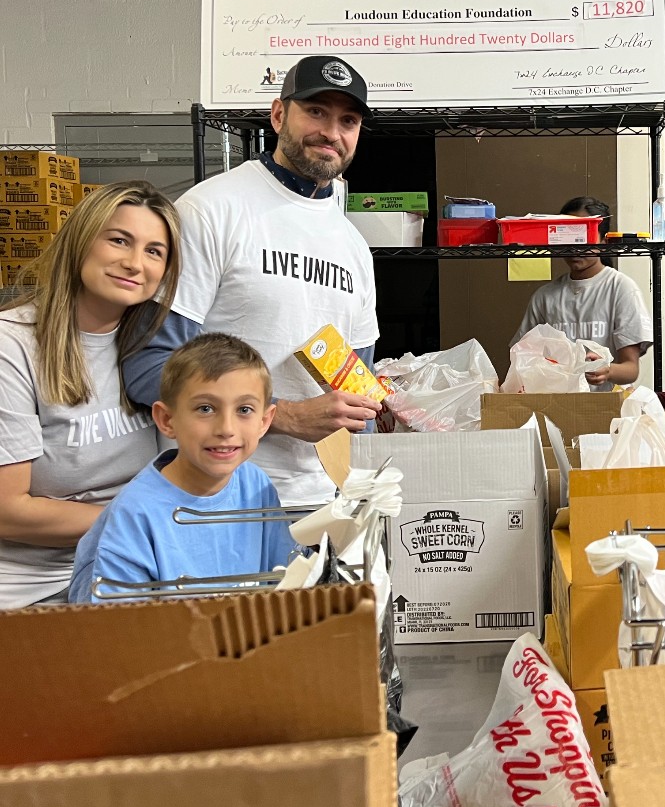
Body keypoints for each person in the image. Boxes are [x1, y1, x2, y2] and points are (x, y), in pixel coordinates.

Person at [124, 55, 381, 506]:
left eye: (348, 121)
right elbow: (148, 367)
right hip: (214, 501)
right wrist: (281, 415)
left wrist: (366, 484)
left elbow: (360, 393)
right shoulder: (211, 210)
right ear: (278, 115)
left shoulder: (354, 247)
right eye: (316, 111)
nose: (331, 132)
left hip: (323, 503)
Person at [0, 180, 181, 607]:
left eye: (154, 251)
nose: (134, 263)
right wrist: (145, 519)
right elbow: (8, 511)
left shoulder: (155, 350)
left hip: (128, 568)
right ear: (81, 240)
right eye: (119, 240)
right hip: (34, 592)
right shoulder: (13, 345)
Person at [70, 333, 294, 602]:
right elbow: (118, 624)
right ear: (167, 419)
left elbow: (288, 583)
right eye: (205, 409)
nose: (226, 429)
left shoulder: (256, 486)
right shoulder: (133, 517)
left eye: (244, 410)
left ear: (264, 421)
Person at [511, 196, 652, 391]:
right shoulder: (545, 297)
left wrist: (607, 370)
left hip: (606, 404)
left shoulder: (621, 289)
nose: (575, 247)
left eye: (583, 237)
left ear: (603, 240)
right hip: (555, 402)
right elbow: (522, 358)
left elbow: (631, 369)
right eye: (567, 238)